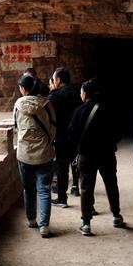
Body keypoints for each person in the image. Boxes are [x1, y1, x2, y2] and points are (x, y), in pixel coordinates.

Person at [68, 78, 124, 235]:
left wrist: (80, 145)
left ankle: (86, 223)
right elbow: (118, 132)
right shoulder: (109, 109)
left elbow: (72, 133)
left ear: (85, 93)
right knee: (111, 184)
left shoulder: (79, 111)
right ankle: (116, 215)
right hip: (106, 154)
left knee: (86, 188)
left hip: (87, 155)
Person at [13, 73, 57, 237]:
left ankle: (32, 219)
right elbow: (53, 127)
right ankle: (44, 226)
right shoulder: (46, 104)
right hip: (44, 154)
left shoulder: (17, 105)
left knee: (28, 189)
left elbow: (16, 127)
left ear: (23, 89)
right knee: (44, 190)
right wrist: (46, 142)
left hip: (24, 154)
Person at [48, 67, 82, 205]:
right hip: (79, 135)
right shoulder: (80, 91)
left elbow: (51, 118)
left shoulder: (54, 96)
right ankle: (76, 187)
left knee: (62, 167)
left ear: (58, 80)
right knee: (78, 163)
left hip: (62, 136)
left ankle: (62, 198)